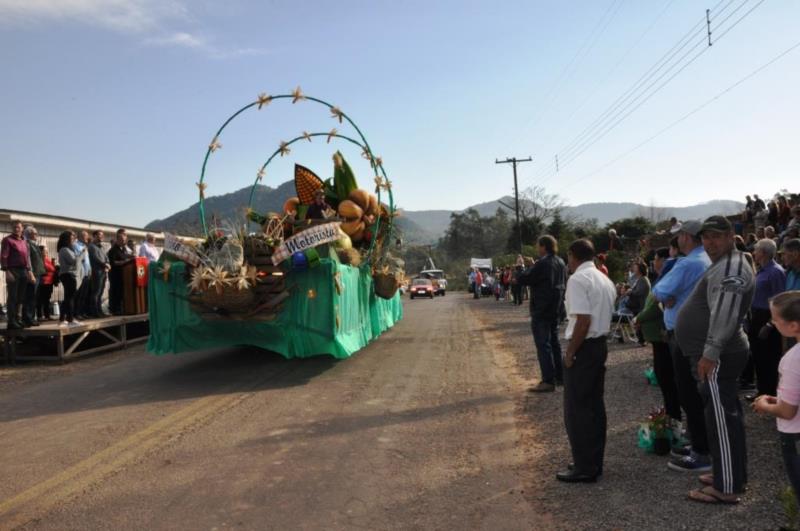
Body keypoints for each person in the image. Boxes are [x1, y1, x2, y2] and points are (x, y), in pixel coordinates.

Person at [677, 216, 755, 505]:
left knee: (722, 419)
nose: (710, 242)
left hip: (719, 355)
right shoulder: (725, 263)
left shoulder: (732, 267)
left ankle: (728, 486)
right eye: (706, 237)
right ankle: (730, 473)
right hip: (718, 353)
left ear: (731, 238)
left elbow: (725, 313)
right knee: (724, 417)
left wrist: (709, 353)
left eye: (717, 237)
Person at [651, 220, 713, 473]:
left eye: (678, 236)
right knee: (694, 392)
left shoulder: (689, 263)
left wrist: (665, 296)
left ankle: (702, 452)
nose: (676, 241)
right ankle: (701, 443)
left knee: (689, 392)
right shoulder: (704, 259)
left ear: (687, 237)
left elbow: (658, 292)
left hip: (684, 334)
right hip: (695, 332)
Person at [556, 239, 616, 483]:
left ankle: (584, 466)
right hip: (599, 344)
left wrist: (570, 352)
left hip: (584, 347)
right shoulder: (604, 278)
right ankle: (592, 461)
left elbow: (583, 321)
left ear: (572, 256)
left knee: (577, 409)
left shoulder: (578, 280)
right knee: (593, 406)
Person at [752, 291, 800, 506]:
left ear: (794, 326)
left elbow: (788, 412)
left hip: (795, 435)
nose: (772, 322)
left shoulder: (793, 359)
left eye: (776, 319)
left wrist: (765, 405)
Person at [636, 248, 682, 423]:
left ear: (664, 260)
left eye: (655, 258)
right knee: (664, 377)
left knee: (668, 379)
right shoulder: (661, 279)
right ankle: (672, 417)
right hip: (659, 338)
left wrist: (639, 318)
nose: (653, 262)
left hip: (664, 337)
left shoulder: (668, 279)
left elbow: (656, 307)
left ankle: (675, 420)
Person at [518, 235, 567, 393]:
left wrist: (521, 267)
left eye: (538, 246)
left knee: (543, 344)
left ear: (544, 246)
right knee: (554, 343)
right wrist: (534, 266)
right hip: (556, 308)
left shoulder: (543, 263)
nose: (537, 248)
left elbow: (524, 279)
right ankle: (560, 377)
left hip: (542, 309)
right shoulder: (560, 261)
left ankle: (548, 380)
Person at [747, 238, 786, 399]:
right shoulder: (761, 270)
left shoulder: (775, 272)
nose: (754, 253)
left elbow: (780, 300)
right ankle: (761, 392)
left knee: (769, 359)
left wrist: (770, 324)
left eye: (756, 250)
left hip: (768, 319)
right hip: (756, 318)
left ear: (763, 252)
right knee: (758, 357)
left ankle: (770, 393)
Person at [1, 220, 34, 330]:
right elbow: (4, 256)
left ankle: (18, 318)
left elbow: (27, 258)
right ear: (12, 228)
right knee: (13, 297)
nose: (16, 229)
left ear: (22, 229)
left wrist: (29, 271)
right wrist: (7, 271)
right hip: (13, 270)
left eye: (18, 227)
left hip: (23, 270)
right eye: (14, 227)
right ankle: (11, 321)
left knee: (21, 297)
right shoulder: (7, 240)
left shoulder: (24, 241)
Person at [57, 230, 83, 327]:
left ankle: (64, 319)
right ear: (66, 239)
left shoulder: (68, 249)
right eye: (72, 238)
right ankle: (70, 319)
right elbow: (74, 261)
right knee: (70, 298)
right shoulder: (64, 249)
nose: (73, 240)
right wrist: (81, 254)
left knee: (68, 297)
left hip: (69, 274)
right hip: (67, 274)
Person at [107, 228, 135, 314]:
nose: (124, 241)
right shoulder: (113, 250)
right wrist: (125, 262)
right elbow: (113, 262)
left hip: (123, 274)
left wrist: (132, 257)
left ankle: (120, 308)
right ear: (117, 239)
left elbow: (126, 256)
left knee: (120, 292)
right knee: (115, 292)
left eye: (125, 239)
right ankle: (114, 309)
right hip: (115, 274)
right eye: (122, 240)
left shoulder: (122, 249)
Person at [22, 225, 44, 327]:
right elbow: (28, 260)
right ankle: (28, 318)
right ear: (28, 234)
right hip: (32, 274)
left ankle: (31, 317)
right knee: (29, 296)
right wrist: (30, 273)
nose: (36, 235)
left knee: (34, 297)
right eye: (34, 233)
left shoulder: (33, 244)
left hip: (38, 273)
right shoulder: (27, 244)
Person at [88, 230, 111, 317]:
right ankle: (95, 312)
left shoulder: (102, 247)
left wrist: (108, 263)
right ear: (94, 236)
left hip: (103, 272)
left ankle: (100, 311)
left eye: (102, 235)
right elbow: (95, 258)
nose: (101, 237)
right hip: (96, 272)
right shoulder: (91, 247)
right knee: (96, 292)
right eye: (99, 235)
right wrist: (105, 264)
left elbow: (106, 257)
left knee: (100, 292)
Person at [73, 230, 92, 318]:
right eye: (85, 236)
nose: (87, 238)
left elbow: (87, 260)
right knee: (79, 295)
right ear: (80, 236)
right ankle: (76, 313)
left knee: (84, 295)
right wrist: (83, 251)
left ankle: (81, 312)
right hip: (80, 274)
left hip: (87, 273)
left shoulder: (85, 246)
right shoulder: (76, 245)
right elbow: (78, 258)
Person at [37, 246, 57, 321]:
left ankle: (47, 315)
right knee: (41, 299)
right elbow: (44, 269)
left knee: (47, 299)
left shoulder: (47, 259)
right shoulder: (40, 260)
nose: (46, 252)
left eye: (47, 251)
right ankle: (40, 315)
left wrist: (54, 265)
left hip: (50, 282)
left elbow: (52, 269)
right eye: (45, 251)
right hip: (43, 282)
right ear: (41, 252)